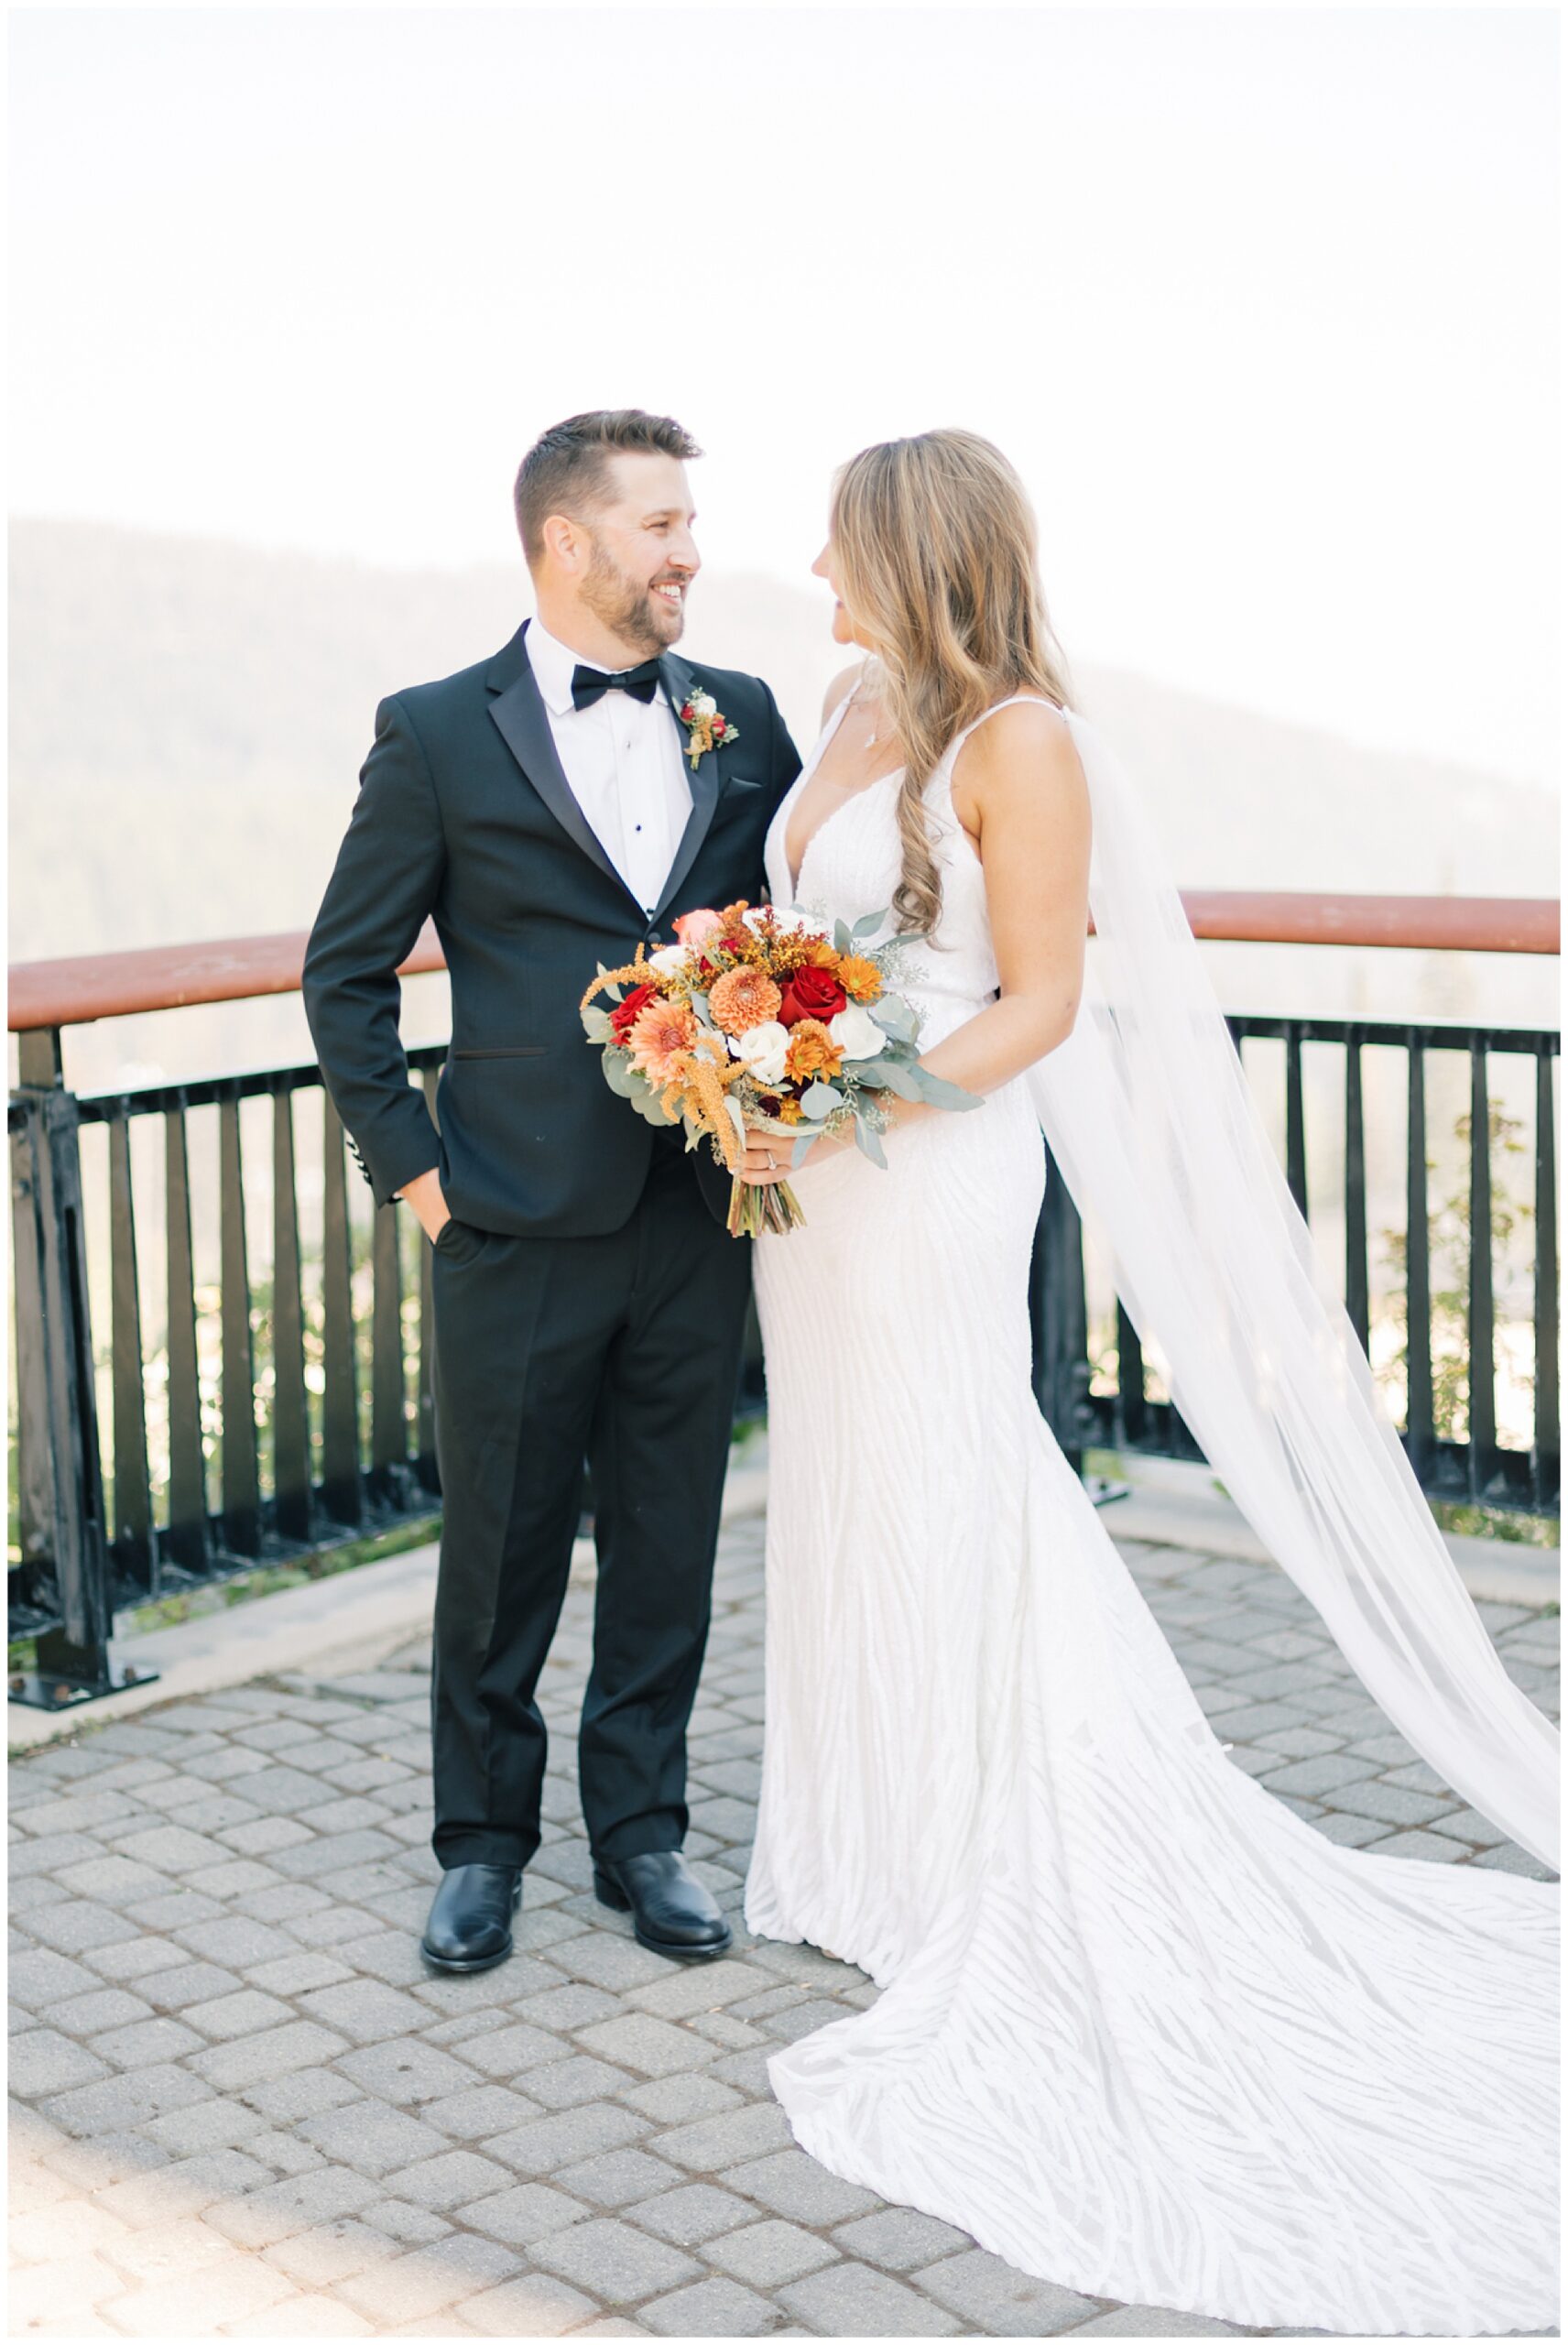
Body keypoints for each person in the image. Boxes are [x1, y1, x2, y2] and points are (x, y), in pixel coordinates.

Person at [735, 429, 1558, 2335]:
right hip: (820, 1185)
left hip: (927, 1162)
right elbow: (803, 934)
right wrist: (749, 1066)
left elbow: (1032, 995)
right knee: (848, 1485)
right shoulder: (846, 700)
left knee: (955, 1474)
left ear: (915, 551)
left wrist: (849, 1092)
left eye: (838, 537)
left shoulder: (1016, 740)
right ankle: (862, 1843)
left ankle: (982, 1842)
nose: (809, 562)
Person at [302, 409, 800, 1976]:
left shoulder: (746, 717)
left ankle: (642, 1833)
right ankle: (481, 1848)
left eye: (689, 526)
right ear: (567, 544)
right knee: (500, 1549)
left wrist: (781, 1104)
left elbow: (787, 951)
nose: (690, 556)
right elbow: (346, 974)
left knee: (668, 1538)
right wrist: (424, 1178)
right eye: (660, 527)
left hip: (695, 1215)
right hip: (507, 1219)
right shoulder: (439, 731)